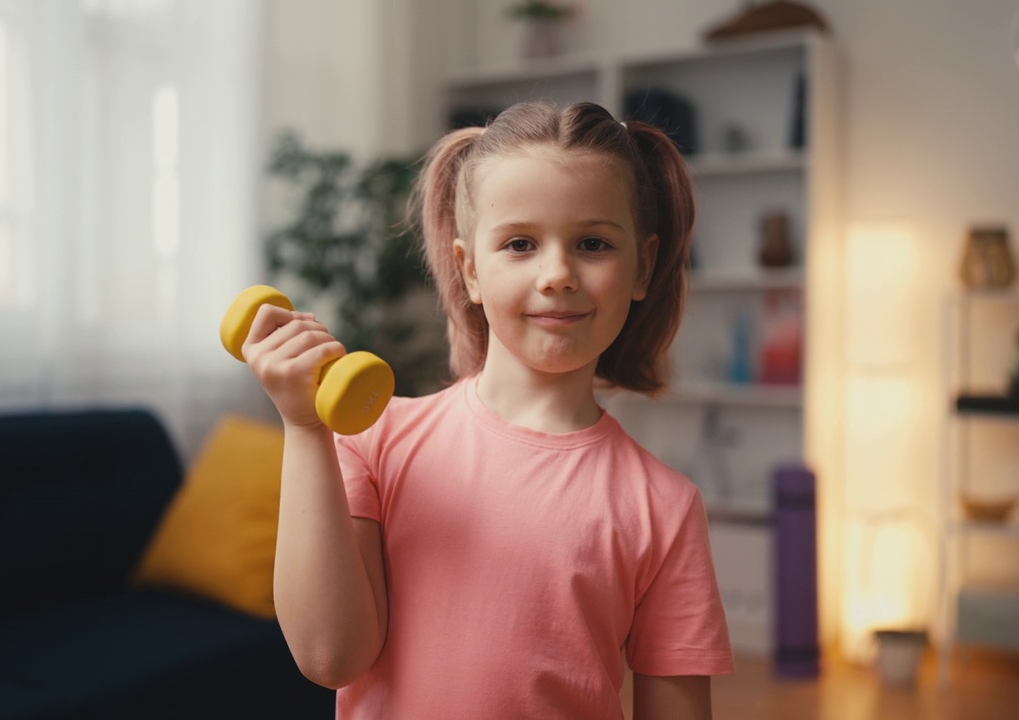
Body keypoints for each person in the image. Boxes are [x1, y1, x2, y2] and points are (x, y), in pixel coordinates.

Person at [242, 101, 733, 720]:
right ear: (469, 267)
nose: (557, 274)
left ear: (643, 264)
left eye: (593, 243)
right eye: (520, 243)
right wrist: (304, 427)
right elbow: (329, 656)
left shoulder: (664, 507)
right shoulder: (372, 439)